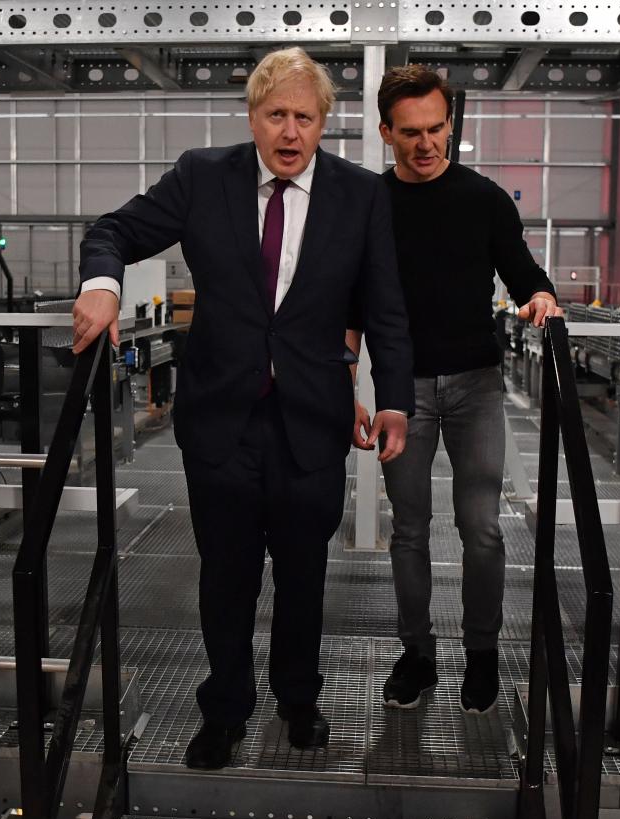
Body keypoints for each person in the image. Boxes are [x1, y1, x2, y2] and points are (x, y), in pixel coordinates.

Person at [72, 48, 414, 769]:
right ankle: (225, 708)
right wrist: (103, 285)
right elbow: (113, 230)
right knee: (226, 576)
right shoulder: (203, 177)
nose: (291, 132)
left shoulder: (361, 195)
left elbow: (386, 310)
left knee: (302, 574)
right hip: (221, 419)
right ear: (252, 116)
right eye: (276, 115)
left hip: (313, 421)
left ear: (325, 123)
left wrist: (395, 403)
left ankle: (298, 698)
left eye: (305, 117)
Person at [349, 65, 561, 714]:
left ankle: (482, 656)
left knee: (483, 529)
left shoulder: (485, 199)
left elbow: (521, 270)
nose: (425, 143)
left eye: (436, 129)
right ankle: (417, 656)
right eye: (409, 132)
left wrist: (541, 296)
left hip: (477, 386)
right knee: (409, 531)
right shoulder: (370, 206)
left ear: (450, 126)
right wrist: (339, 380)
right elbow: (352, 301)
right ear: (386, 132)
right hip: (400, 390)